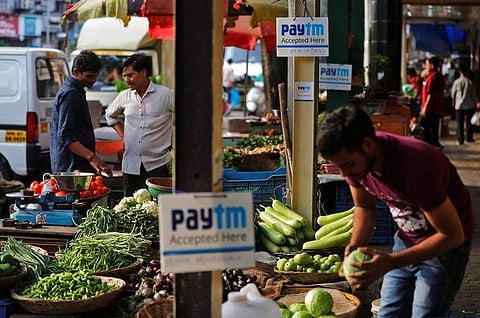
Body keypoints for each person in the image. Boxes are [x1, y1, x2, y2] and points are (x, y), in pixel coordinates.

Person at [317, 105, 474, 318]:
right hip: (406, 239)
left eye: (347, 165)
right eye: (339, 166)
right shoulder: (355, 161)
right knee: (388, 313)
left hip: (445, 247)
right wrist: (355, 245)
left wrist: (391, 261)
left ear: (368, 144)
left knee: (424, 314)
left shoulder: (416, 166)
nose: (345, 173)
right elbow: (364, 207)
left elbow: (452, 235)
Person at [105, 53, 174, 196]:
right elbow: (109, 115)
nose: (126, 80)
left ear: (143, 72)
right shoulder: (124, 96)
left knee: (157, 210)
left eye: (130, 75)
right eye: (124, 76)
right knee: (130, 208)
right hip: (131, 165)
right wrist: (123, 136)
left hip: (157, 165)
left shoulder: (165, 95)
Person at [50, 50, 112, 176]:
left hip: (76, 163)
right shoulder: (71, 94)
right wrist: (92, 157)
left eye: (95, 76)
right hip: (71, 165)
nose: (94, 80)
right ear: (76, 72)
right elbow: (65, 135)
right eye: (89, 76)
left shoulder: (76, 91)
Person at [419, 56, 446, 149]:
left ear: (432, 65)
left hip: (430, 108)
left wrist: (425, 108)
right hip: (436, 108)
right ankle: (434, 145)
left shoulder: (433, 77)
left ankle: (430, 146)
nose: (425, 66)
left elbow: (430, 94)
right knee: (433, 129)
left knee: (424, 128)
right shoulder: (437, 75)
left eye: (427, 64)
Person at [451, 64, 477, 145]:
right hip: (469, 105)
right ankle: (469, 138)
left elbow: (453, 94)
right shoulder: (469, 82)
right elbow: (473, 94)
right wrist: (476, 102)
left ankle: (460, 140)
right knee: (469, 123)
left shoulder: (456, 82)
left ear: (459, 71)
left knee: (459, 123)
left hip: (458, 105)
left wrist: (453, 103)